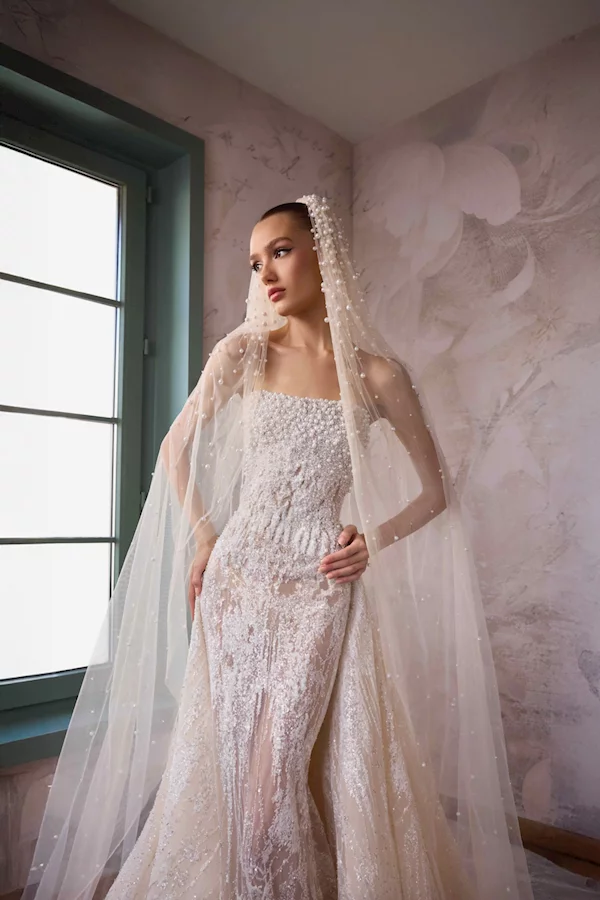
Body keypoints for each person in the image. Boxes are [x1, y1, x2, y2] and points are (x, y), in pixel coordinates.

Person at [25, 196, 533, 900]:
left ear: (324, 256)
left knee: (273, 782)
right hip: (236, 581)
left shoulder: (379, 375)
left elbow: (434, 491)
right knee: (233, 774)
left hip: (319, 586)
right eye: (255, 260)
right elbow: (175, 447)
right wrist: (206, 536)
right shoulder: (245, 352)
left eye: (282, 251)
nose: (265, 272)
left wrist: (372, 539)